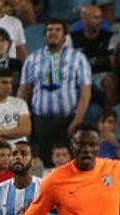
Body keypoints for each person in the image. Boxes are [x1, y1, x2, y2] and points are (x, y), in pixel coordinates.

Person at [17, 19, 92, 163]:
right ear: (44, 35)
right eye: (50, 30)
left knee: (69, 163)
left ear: (65, 36)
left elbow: (85, 93)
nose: (53, 33)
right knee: (43, 163)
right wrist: (22, 119)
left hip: (68, 120)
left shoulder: (78, 59)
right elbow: (23, 91)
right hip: (40, 122)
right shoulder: (32, 59)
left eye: (58, 30)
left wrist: (77, 121)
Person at [70, 6, 117, 110]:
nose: (99, 21)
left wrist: (112, 74)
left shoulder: (109, 37)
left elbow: (113, 63)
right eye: (95, 18)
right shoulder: (73, 38)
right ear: (84, 20)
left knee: (109, 81)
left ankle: (108, 114)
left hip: (100, 74)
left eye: (100, 18)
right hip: (80, 75)